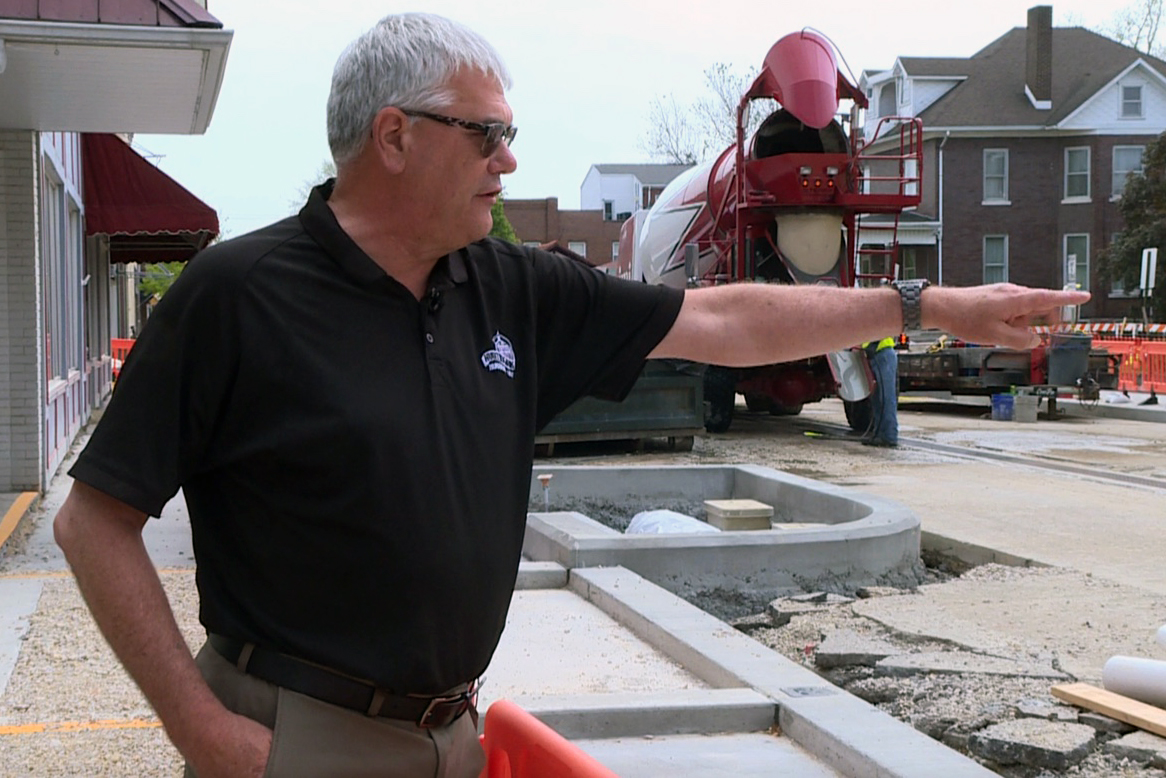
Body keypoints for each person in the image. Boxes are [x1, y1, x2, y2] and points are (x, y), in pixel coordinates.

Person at [51, 12, 1090, 778]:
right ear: (394, 136)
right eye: (486, 133)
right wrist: (195, 724)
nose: (510, 158)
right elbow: (95, 520)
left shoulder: (509, 289)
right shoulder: (238, 295)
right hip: (293, 734)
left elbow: (724, 321)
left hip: (450, 734)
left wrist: (925, 306)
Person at [863, 337, 900, 447]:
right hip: (876, 354)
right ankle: (879, 435)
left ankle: (889, 436)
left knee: (885, 398)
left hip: (881, 353)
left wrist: (871, 346)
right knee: (877, 398)